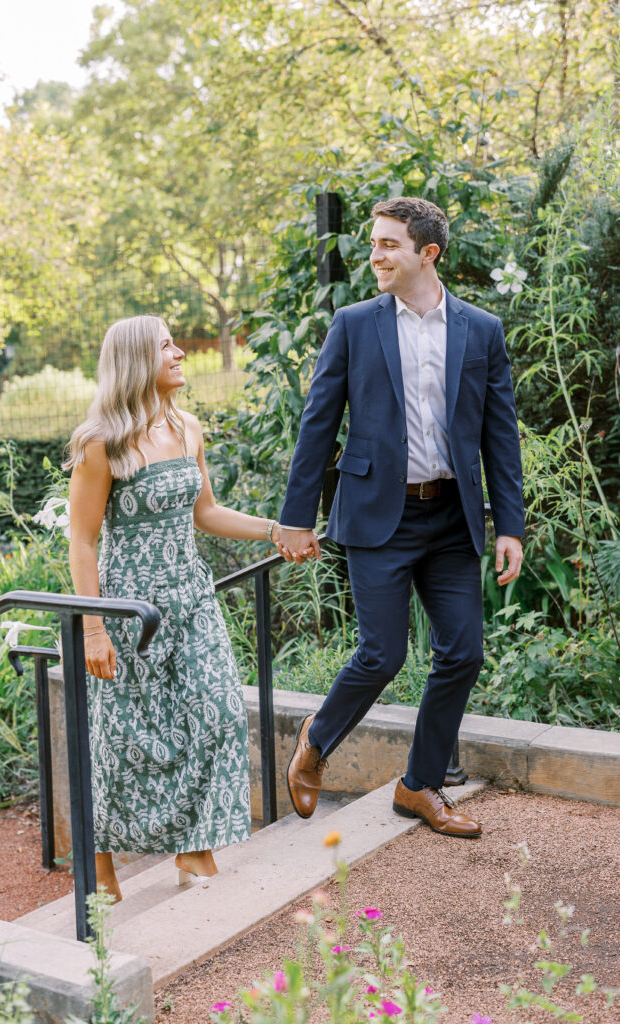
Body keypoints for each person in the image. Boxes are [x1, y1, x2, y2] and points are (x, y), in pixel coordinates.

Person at [279, 196, 524, 838]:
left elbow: (501, 435)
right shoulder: (355, 324)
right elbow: (317, 425)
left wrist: (511, 526)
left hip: (450, 520)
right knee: (382, 654)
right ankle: (316, 740)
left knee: (463, 653)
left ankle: (419, 786)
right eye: (374, 243)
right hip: (377, 518)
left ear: (427, 253)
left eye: (389, 244)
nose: (375, 256)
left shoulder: (481, 330)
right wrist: (296, 518)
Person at [66, 315, 280, 900]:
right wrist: (92, 630)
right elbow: (82, 540)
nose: (181, 352)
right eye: (167, 346)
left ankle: (195, 848)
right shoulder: (101, 443)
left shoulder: (187, 427)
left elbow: (205, 513)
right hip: (131, 608)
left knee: (218, 714)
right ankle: (100, 864)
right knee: (125, 735)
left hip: (191, 597)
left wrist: (274, 531)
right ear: (139, 359)